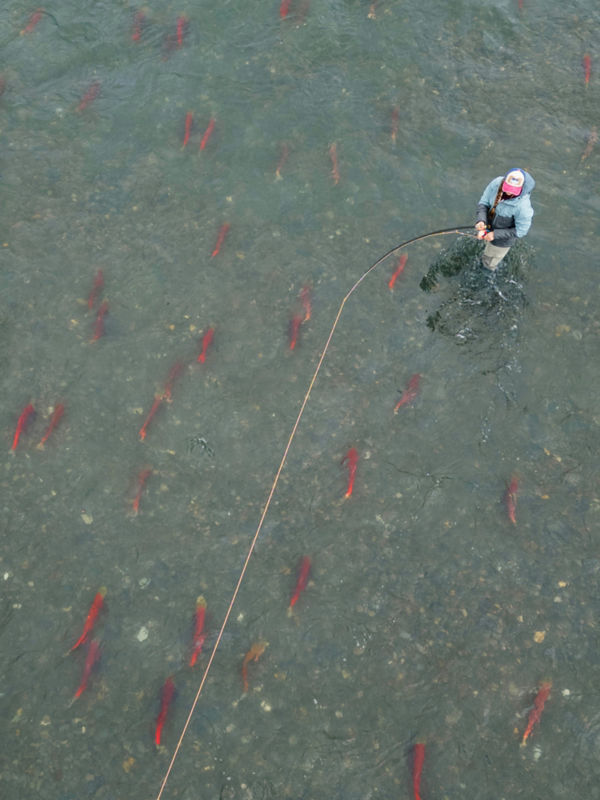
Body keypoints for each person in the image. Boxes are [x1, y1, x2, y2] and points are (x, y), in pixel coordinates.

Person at [475, 168, 535, 270]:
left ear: (522, 189)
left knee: (488, 263)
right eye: (506, 189)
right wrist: (481, 220)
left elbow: (521, 231)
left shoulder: (523, 208)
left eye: (513, 192)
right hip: (487, 227)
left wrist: (495, 234)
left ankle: (488, 270)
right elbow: (483, 203)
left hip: (501, 242)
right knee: (485, 250)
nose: (508, 194)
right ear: (503, 182)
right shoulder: (496, 183)